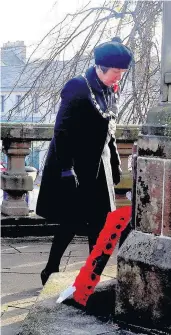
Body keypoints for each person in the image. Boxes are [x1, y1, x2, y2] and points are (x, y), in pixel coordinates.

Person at [36, 37, 133, 285]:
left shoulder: (111, 90)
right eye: (115, 72)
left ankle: (92, 274)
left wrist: (114, 164)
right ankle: (50, 268)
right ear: (100, 67)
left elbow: (109, 130)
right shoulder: (77, 87)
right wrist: (67, 169)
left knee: (101, 223)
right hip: (75, 167)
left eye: (122, 73)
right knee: (72, 221)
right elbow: (62, 131)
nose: (118, 78)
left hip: (100, 168)